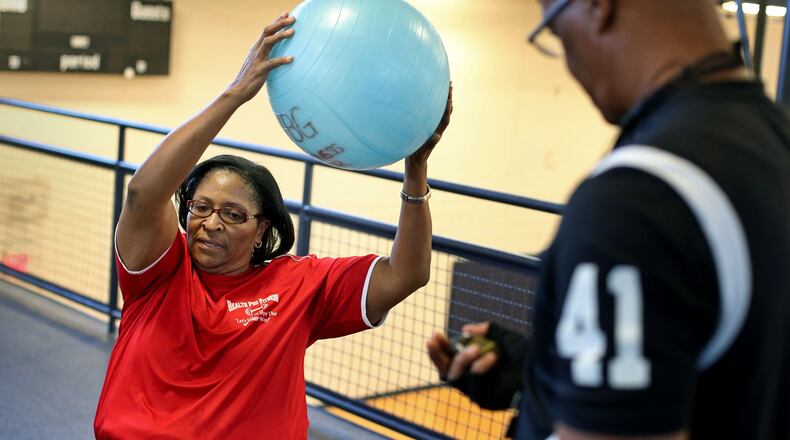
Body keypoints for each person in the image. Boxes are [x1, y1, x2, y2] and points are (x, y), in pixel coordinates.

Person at [427, 1, 790, 439]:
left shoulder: (637, 201)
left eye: (557, 33)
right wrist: (541, 383)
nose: (571, 65)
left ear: (598, 6)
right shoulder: (773, 145)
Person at [93, 11, 452, 439]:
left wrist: (416, 169)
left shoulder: (299, 285)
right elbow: (142, 194)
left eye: (233, 214)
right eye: (200, 207)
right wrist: (235, 94)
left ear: (262, 230)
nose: (210, 223)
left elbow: (406, 274)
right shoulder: (157, 271)